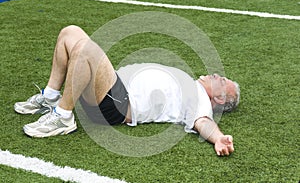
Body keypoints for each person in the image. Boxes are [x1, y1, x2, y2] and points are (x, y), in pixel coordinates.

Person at [14, 25, 240, 156]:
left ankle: (62, 117)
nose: (217, 75)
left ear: (219, 98)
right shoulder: (191, 84)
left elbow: (204, 122)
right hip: (114, 88)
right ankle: (50, 98)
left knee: (85, 48)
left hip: (117, 103)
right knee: (69, 32)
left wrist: (219, 138)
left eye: (222, 80)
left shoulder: (199, 99)